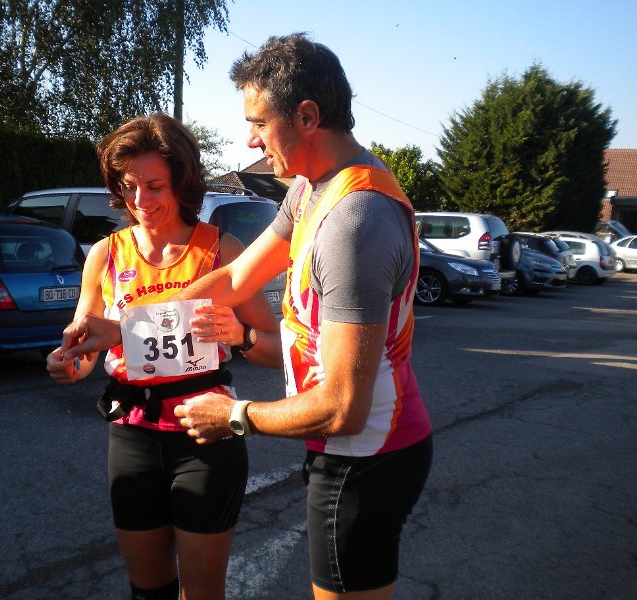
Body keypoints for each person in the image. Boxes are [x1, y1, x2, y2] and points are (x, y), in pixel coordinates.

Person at [172, 34, 433, 600]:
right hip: (360, 448)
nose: (251, 140)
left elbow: (342, 408)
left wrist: (233, 415)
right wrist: (145, 323)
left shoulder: (354, 222)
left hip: (363, 457)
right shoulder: (312, 188)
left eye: (259, 123)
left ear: (307, 117)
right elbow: (236, 279)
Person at [46, 112, 281, 600]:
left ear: (182, 182)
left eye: (154, 186)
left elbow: (279, 349)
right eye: (128, 187)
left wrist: (240, 336)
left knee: (201, 592)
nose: (140, 201)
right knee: (147, 589)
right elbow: (85, 340)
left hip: (206, 433)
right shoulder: (105, 254)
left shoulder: (220, 249)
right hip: (132, 432)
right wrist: (69, 361)